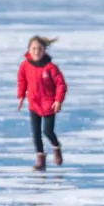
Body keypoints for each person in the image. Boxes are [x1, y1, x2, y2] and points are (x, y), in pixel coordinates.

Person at [17, 35, 67, 171]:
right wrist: (21, 96)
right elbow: (22, 81)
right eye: (33, 48)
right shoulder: (25, 66)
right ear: (29, 49)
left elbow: (61, 84)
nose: (36, 51)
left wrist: (58, 100)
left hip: (49, 104)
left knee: (47, 131)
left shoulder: (51, 67)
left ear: (44, 50)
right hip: (34, 104)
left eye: (39, 49)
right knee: (36, 133)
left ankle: (56, 146)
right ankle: (40, 160)